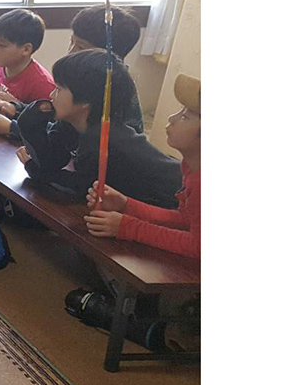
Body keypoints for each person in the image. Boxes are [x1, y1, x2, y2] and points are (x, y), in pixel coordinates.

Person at [16, 49, 182, 209]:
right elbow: (52, 161)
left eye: (58, 89)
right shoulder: (71, 123)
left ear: (84, 102)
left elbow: (83, 188)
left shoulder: (103, 139)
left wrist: (37, 172)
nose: (51, 95)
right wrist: (30, 126)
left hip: (176, 197)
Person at [0, 4, 145, 135]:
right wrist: (17, 109)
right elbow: (54, 120)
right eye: (71, 42)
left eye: (80, 47)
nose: (71, 52)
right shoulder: (81, 78)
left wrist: (13, 128)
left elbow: (65, 139)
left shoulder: (110, 95)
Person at [86, 74, 200, 257]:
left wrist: (128, 227)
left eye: (185, 117)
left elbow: (198, 246)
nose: (172, 118)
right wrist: (126, 205)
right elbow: (185, 220)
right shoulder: (191, 167)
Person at [0, 9, 56, 109]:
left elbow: (45, 118)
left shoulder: (42, 84)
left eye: (2, 45)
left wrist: (15, 105)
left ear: (26, 49)